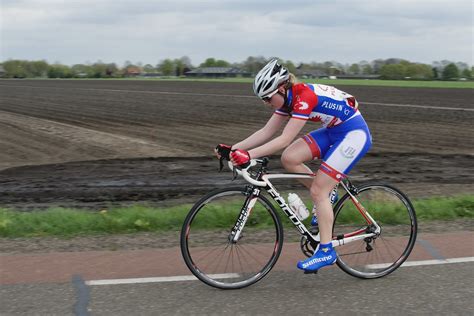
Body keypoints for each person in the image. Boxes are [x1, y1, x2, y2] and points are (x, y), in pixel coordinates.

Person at [215, 59, 372, 273]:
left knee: (318, 190)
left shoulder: (303, 97)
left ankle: (326, 251)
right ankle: (328, 196)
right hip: (334, 131)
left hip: (353, 134)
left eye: (268, 98)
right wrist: (234, 149)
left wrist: (248, 155)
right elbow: (266, 132)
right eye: (263, 100)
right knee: (290, 158)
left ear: (281, 88)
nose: (266, 103)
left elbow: (283, 139)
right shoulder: (287, 100)